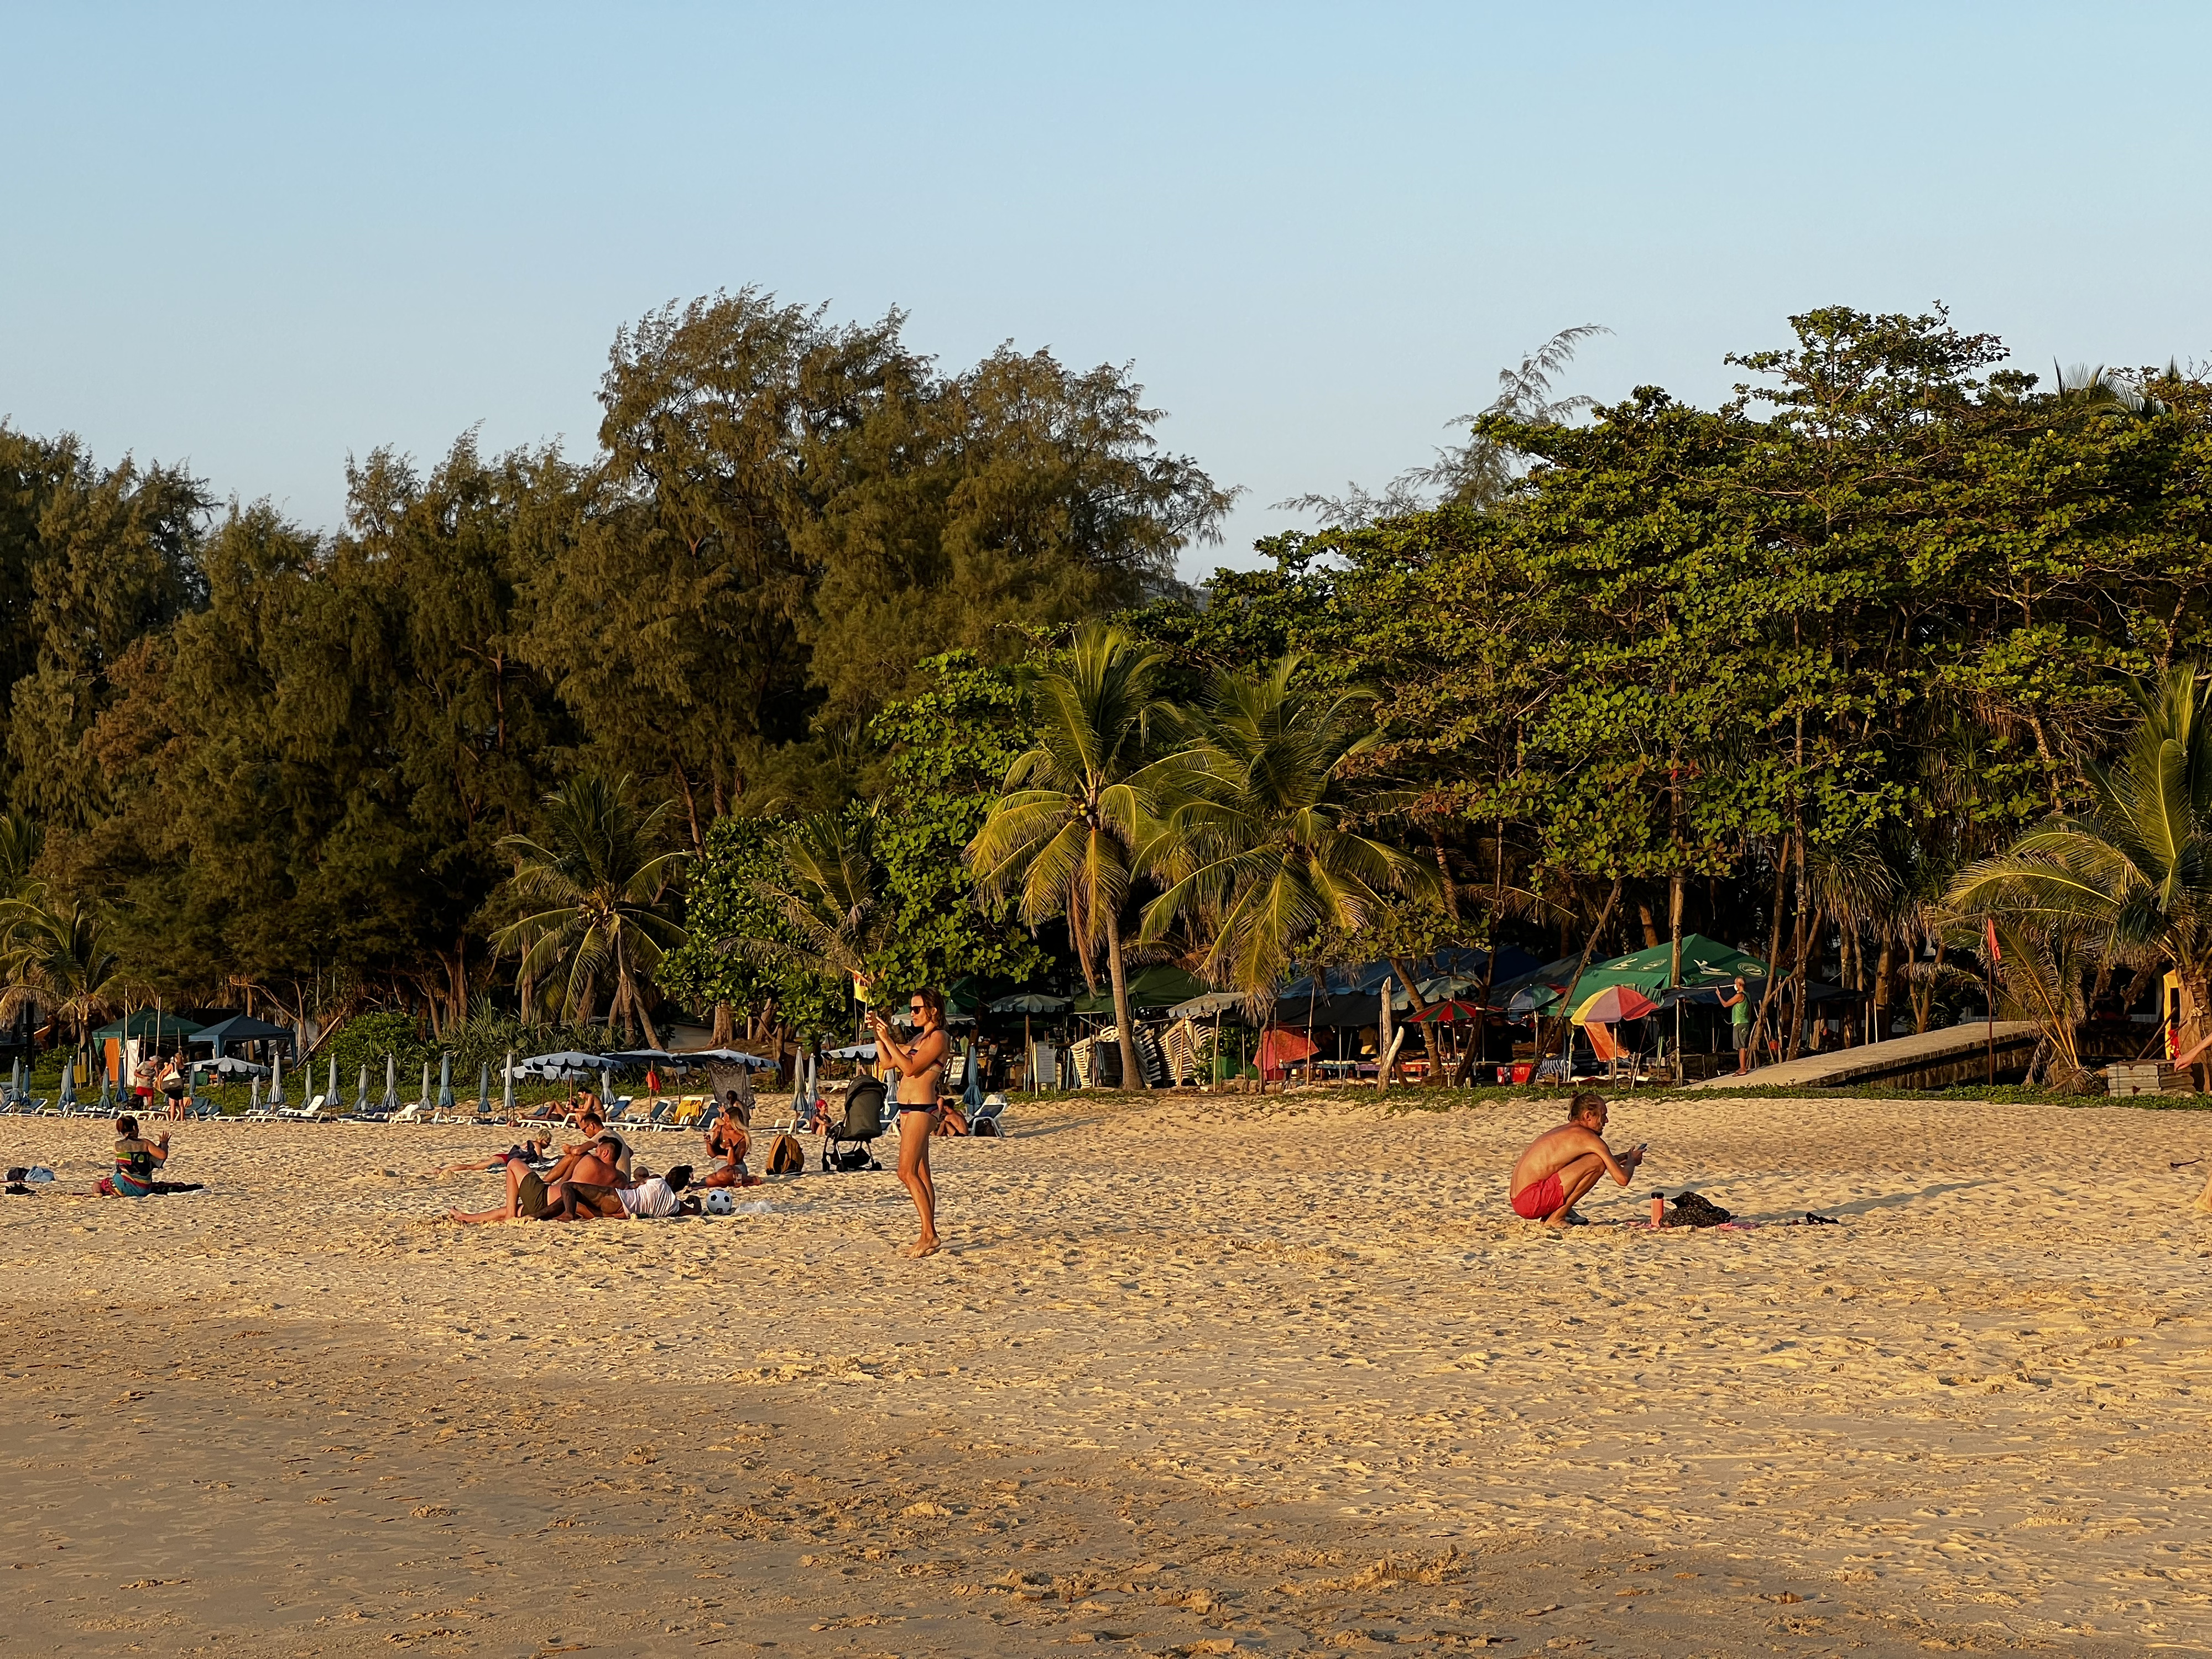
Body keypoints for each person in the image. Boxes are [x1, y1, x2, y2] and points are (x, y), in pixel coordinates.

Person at [865, 987, 950, 1258]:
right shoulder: (918, 1039)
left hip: (920, 1109)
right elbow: (888, 1062)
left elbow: (911, 1069)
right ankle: (928, 1233)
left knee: (905, 1172)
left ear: (933, 1011)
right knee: (922, 1173)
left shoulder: (939, 1038)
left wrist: (889, 1038)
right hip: (909, 1109)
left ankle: (930, 1235)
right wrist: (880, 1036)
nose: (912, 1014)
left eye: (916, 1009)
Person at [1508, 1092, 1644, 1229]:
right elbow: (1622, 1179)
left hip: (1520, 1198)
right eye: (1603, 1115)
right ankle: (1556, 1218)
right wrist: (1631, 1162)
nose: (1606, 1121)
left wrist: (1625, 1157)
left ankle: (1551, 1217)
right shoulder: (1589, 1138)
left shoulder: (1567, 1132)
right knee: (1597, 1162)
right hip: (1532, 1201)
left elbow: (1585, 1165)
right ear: (1588, 1116)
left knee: (1596, 1160)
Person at [426, 1130, 551, 1179]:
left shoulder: (531, 1143)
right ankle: (441, 1170)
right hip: (503, 1160)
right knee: (471, 1167)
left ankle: (441, 1169)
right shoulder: (537, 1145)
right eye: (548, 1141)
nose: (548, 1145)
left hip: (503, 1157)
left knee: (472, 1166)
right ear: (542, 1139)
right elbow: (541, 1161)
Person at [696, 1096, 754, 1190]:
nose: (724, 1123)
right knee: (712, 1180)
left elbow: (733, 1162)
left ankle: (749, 1180)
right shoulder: (720, 1129)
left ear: (735, 1123)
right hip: (720, 1164)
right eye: (724, 1120)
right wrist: (709, 1144)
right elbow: (712, 1155)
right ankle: (740, 1181)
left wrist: (731, 1149)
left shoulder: (742, 1137)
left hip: (736, 1167)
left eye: (727, 1122)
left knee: (725, 1176)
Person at [107, 1114, 170, 1197]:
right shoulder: (145, 1143)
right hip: (144, 1189)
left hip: (123, 1188)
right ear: (134, 1128)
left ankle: (97, 1193)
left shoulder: (117, 1146)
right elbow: (162, 1155)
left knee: (101, 1183)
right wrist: (164, 1143)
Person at [1719, 976, 1754, 1075]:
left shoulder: (1740, 996)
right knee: (1740, 1046)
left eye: (1735, 984)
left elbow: (1725, 1004)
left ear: (1739, 985)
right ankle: (1742, 1066)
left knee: (1741, 1046)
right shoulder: (1747, 995)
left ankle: (1743, 1068)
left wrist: (1719, 995)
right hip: (1743, 1022)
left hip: (1740, 1023)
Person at [159, 1056, 190, 1121]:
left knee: (172, 1104)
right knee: (181, 1104)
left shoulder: (172, 1065)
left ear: (175, 1059)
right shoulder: (183, 1067)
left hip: (173, 1086)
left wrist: (165, 1067)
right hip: (179, 1086)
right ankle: (182, 1119)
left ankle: (172, 1119)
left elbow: (165, 1073)